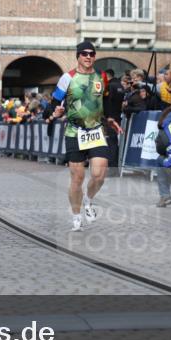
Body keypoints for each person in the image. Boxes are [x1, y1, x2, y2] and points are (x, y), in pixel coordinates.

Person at [49, 40, 122, 232]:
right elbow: (54, 101)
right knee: (78, 178)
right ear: (78, 56)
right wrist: (54, 112)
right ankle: (76, 216)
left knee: (99, 175)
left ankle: (88, 202)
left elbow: (104, 102)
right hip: (75, 132)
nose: (88, 56)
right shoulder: (68, 77)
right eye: (84, 54)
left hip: (97, 131)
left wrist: (110, 118)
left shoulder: (101, 77)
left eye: (92, 53)